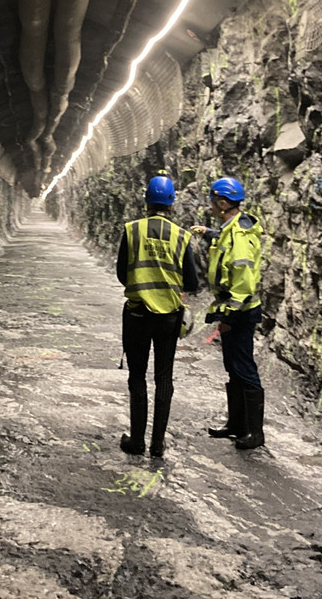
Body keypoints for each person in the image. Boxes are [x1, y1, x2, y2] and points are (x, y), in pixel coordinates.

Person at [117, 175, 200, 458]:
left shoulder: (132, 230)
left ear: (146, 201)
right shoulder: (181, 236)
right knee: (164, 377)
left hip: (138, 314)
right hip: (168, 317)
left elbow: (120, 273)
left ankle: (137, 441)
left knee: (137, 376)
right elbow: (191, 281)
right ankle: (157, 445)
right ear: (172, 204)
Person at [191, 176, 266, 450]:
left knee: (244, 367)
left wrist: (228, 317)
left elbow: (243, 280)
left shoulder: (240, 235)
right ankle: (236, 425)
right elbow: (225, 243)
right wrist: (208, 233)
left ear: (223, 203)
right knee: (233, 366)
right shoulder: (231, 227)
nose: (210, 207)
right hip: (234, 309)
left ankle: (254, 434)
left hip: (241, 312)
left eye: (213, 203)